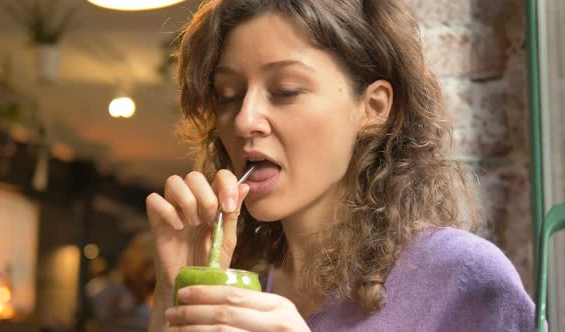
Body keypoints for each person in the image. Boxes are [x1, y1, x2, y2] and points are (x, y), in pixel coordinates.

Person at [145, 0, 537, 330]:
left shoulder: (463, 279)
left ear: (373, 107)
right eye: (228, 95)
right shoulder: (242, 286)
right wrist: (171, 301)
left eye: (285, 91)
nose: (245, 120)